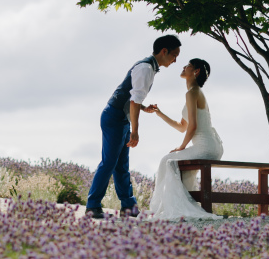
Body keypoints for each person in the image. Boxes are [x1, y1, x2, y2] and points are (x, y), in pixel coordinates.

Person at [85, 35, 181, 219]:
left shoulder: (150, 68)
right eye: (174, 55)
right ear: (164, 51)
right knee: (109, 162)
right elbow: (134, 100)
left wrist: (144, 108)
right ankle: (92, 205)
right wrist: (135, 132)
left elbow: (133, 99)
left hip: (120, 118)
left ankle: (128, 206)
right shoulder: (145, 68)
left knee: (121, 165)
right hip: (114, 117)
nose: (175, 60)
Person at [147, 58, 223, 219]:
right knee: (170, 160)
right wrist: (159, 113)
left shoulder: (192, 93)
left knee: (167, 160)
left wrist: (181, 147)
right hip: (210, 145)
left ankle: (165, 206)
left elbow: (193, 126)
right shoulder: (194, 93)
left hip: (205, 146)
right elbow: (182, 126)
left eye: (187, 66)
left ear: (196, 72)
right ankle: (181, 203)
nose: (183, 67)